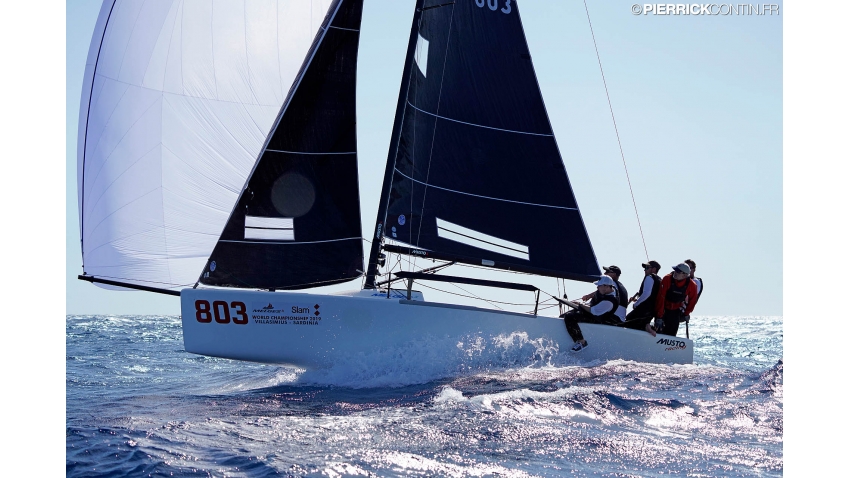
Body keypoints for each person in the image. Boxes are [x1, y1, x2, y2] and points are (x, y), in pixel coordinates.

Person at [560, 275, 620, 352]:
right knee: (564, 316)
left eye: (599, 285)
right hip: (591, 310)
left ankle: (582, 342)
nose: (597, 287)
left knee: (569, 317)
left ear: (606, 286)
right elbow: (597, 292)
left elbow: (592, 311)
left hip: (596, 317)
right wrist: (588, 296)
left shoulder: (609, 302)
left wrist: (580, 304)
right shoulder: (609, 289)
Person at [654, 263, 699, 337]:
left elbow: (692, 301)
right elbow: (660, 298)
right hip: (663, 309)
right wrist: (659, 316)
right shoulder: (667, 279)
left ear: (684, 275)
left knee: (671, 334)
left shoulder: (692, 285)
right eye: (675, 270)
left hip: (676, 311)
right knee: (659, 332)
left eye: (678, 272)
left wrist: (686, 313)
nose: (675, 273)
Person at [623, 260, 661, 336]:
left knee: (627, 321)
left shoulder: (649, 277)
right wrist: (637, 299)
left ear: (654, 269)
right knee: (639, 325)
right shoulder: (659, 279)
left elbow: (647, 293)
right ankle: (647, 327)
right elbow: (652, 296)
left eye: (647, 267)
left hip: (643, 309)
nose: (645, 270)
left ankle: (648, 327)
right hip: (651, 310)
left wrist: (636, 304)